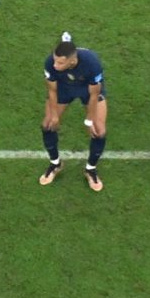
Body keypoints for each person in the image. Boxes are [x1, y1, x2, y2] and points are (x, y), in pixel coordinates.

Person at [41, 34, 108, 190]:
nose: (55, 65)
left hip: (87, 90)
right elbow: (52, 90)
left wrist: (89, 121)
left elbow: (94, 94)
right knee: (47, 125)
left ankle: (90, 169)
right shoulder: (50, 63)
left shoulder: (92, 62)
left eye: (60, 62)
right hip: (64, 88)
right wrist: (55, 116)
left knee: (99, 131)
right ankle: (55, 164)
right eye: (55, 60)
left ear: (72, 61)